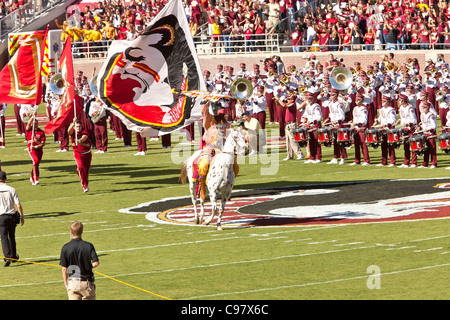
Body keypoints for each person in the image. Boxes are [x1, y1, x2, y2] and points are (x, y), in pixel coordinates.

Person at [60, 221, 99, 300]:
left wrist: (66, 283)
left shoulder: (65, 247)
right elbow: (96, 263)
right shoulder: (88, 245)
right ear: (82, 231)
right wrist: (87, 267)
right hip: (86, 284)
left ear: (71, 232)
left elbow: (64, 268)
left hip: (73, 283)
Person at [0, 171, 24, 267]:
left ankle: (7, 256)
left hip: (1, 216)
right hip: (11, 216)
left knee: (3, 237)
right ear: (6, 178)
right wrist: (22, 216)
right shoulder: (11, 189)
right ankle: (13, 256)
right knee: (12, 236)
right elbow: (18, 204)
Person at [68, 119, 92, 193]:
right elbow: (69, 132)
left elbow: (84, 138)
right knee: (81, 167)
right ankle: (85, 185)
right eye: (77, 126)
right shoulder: (73, 132)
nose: (78, 128)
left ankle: (83, 178)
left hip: (87, 153)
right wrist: (72, 123)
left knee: (86, 170)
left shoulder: (85, 131)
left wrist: (79, 141)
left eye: (79, 127)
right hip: (78, 153)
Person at [26, 115, 46, 185]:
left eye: (36, 123)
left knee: (36, 164)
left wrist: (36, 143)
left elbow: (43, 144)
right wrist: (32, 117)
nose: (35, 125)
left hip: (39, 150)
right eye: (33, 123)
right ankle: (36, 178)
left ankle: (32, 176)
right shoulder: (29, 130)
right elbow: (28, 125)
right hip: (32, 150)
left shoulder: (41, 132)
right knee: (35, 161)